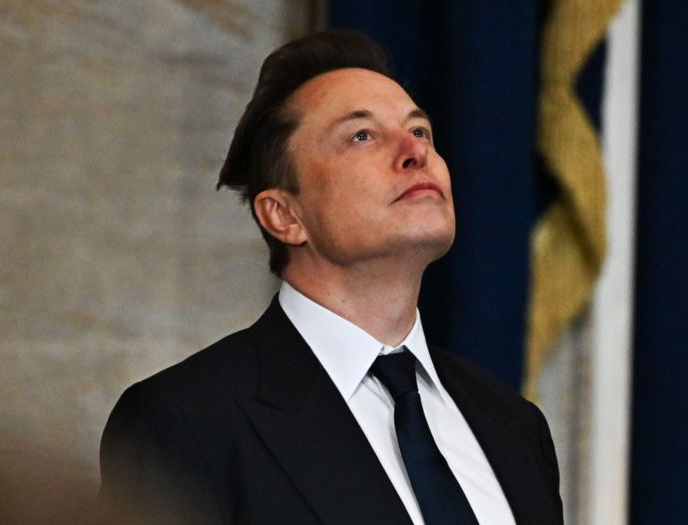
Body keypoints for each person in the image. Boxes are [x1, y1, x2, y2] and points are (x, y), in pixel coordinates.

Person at [100, 31, 563, 525]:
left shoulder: (515, 426)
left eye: (421, 131)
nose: (415, 151)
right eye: (361, 136)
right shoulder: (182, 421)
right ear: (284, 216)